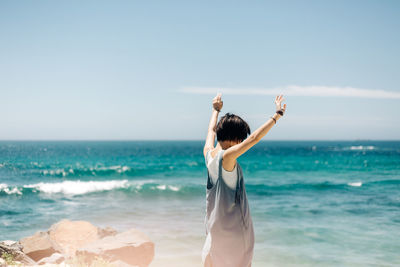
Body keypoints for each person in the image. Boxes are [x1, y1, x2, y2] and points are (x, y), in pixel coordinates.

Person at [202, 93, 286, 267]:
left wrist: (215, 110)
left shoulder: (208, 154)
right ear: (235, 138)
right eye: (241, 139)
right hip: (233, 237)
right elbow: (254, 138)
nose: (241, 142)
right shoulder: (227, 158)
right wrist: (277, 115)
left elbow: (211, 131)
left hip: (213, 234)